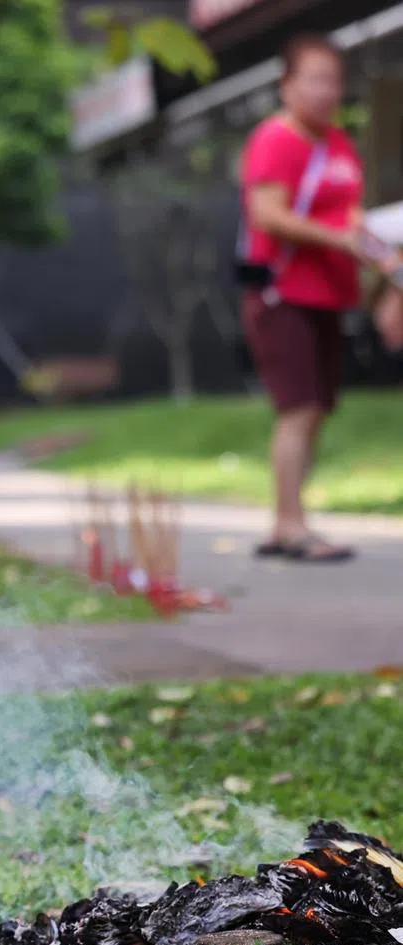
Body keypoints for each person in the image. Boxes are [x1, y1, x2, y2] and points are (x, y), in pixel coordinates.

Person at [239, 35, 394, 562]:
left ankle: (289, 520)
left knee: (317, 408)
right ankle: (289, 525)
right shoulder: (275, 139)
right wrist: (339, 239)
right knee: (298, 407)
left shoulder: (339, 146)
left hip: (330, 294)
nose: (327, 90)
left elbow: (353, 221)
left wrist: (387, 263)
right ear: (287, 85)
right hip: (283, 293)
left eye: (334, 79)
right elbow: (268, 215)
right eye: (315, 78)